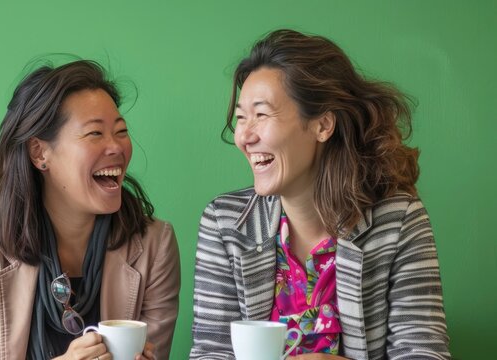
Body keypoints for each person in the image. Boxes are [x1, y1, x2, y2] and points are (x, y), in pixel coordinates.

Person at [190, 29, 450, 360]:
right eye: (241, 118)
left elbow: (425, 353)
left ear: (323, 125)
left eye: (261, 114)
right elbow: (210, 354)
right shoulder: (225, 223)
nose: (245, 136)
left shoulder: (398, 221)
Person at [0, 60, 180, 360]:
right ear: (40, 153)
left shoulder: (153, 245)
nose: (117, 147)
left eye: (121, 131)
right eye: (95, 134)